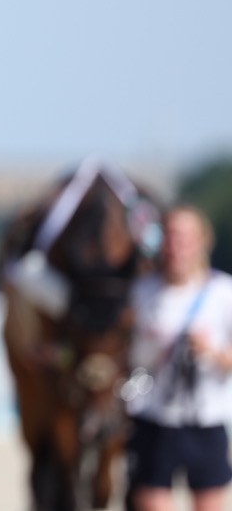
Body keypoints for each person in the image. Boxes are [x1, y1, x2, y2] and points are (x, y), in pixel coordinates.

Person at [126, 204, 232, 511]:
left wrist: (210, 352)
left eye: (185, 237)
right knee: (150, 498)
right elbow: (125, 355)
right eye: (170, 236)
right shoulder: (142, 292)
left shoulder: (223, 292)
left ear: (202, 242)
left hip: (206, 418)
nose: (176, 245)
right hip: (153, 415)